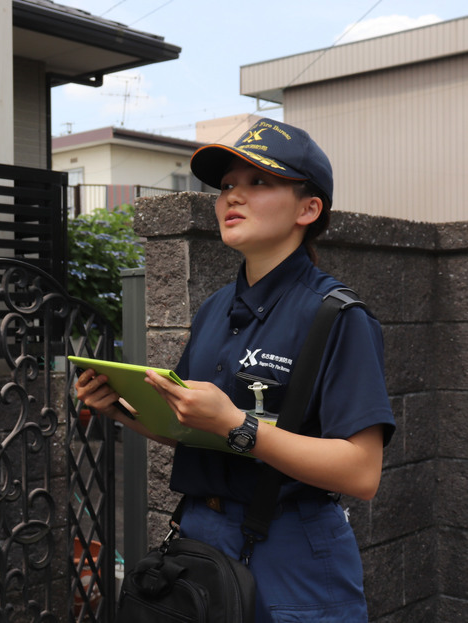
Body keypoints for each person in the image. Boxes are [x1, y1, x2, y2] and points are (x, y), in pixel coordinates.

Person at [76, 118, 395, 622]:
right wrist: (119, 408)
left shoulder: (338, 316)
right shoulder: (215, 308)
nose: (232, 198)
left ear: (309, 209)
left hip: (293, 543)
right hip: (202, 533)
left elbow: (361, 472)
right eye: (226, 186)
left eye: (259, 182)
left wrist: (236, 425)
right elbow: (192, 429)